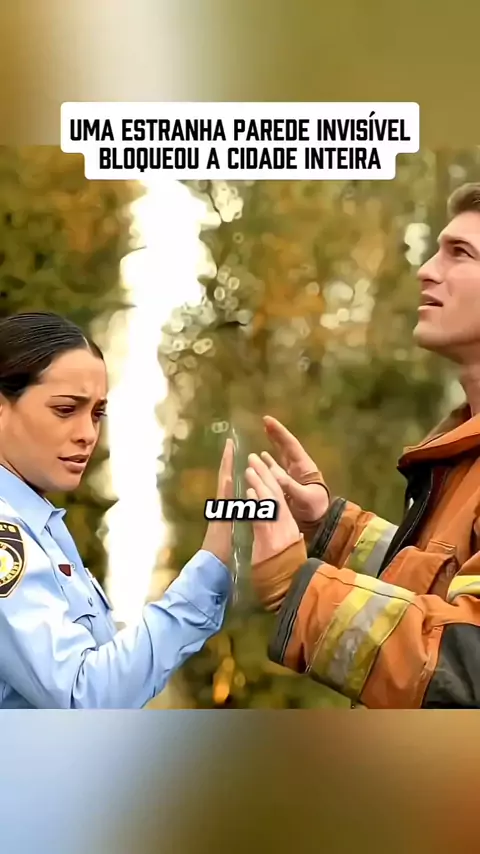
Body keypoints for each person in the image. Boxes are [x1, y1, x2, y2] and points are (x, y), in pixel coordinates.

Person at [246, 181, 480, 709]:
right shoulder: (465, 454)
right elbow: (438, 583)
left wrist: (299, 589)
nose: (427, 270)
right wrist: (330, 527)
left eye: (460, 253)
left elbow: (466, 668)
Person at [0, 311, 234, 709]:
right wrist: (207, 571)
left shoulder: (38, 524)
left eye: (97, 414)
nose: (87, 434)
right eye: (65, 409)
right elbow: (84, 696)